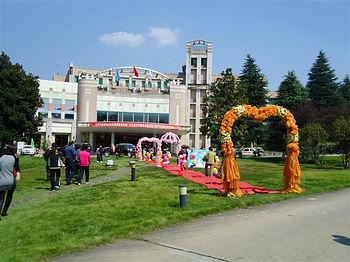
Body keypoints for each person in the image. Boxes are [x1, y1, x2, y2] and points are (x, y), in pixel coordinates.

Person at [0, 144, 20, 217]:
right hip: (11, 181)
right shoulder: (15, 158)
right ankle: (4, 211)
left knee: (1, 197)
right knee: (9, 196)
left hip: (1, 180)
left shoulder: (1, 157)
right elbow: (17, 168)